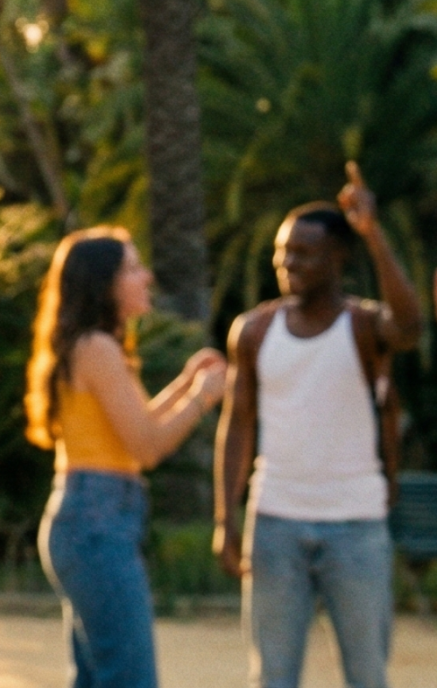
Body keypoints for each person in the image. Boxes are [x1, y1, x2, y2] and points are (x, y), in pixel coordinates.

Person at [214, 163, 421, 688]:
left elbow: (412, 326)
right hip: (276, 521)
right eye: (283, 253)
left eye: (303, 254)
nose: (288, 263)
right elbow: (237, 425)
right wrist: (226, 517)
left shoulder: (363, 326)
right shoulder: (255, 331)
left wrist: (374, 235)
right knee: (273, 676)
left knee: (366, 675)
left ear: (338, 259)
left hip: (357, 525)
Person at [25, 227, 229, 688]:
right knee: (129, 678)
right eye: (133, 269)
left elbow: (133, 428)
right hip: (97, 523)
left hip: (85, 520)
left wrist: (183, 385)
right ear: (105, 285)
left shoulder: (89, 346)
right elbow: (147, 447)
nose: (147, 277)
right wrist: (202, 398)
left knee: (98, 677)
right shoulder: (98, 348)